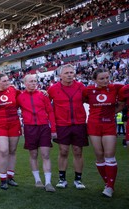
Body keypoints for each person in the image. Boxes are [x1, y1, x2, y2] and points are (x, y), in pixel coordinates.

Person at [84, 68, 124, 197]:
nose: (105, 80)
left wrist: (113, 112)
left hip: (109, 124)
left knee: (109, 154)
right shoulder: (88, 90)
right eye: (102, 78)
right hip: (94, 125)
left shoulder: (116, 87)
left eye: (107, 77)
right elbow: (82, 100)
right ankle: (107, 183)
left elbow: (122, 102)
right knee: (99, 154)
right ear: (94, 80)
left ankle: (110, 187)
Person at [47, 64, 88, 189]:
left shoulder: (81, 87)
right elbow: (46, 105)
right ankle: (62, 179)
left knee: (78, 151)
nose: (69, 75)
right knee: (63, 151)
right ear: (60, 75)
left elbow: (90, 100)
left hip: (79, 124)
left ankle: (78, 179)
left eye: (71, 72)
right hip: (62, 124)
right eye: (66, 73)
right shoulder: (53, 89)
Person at [17, 74, 57, 192]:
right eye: (31, 81)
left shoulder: (43, 95)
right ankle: (37, 180)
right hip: (30, 128)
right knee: (33, 155)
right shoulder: (20, 97)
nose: (34, 83)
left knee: (45, 154)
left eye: (35, 81)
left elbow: (50, 112)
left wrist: (53, 129)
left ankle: (48, 182)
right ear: (25, 83)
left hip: (44, 127)